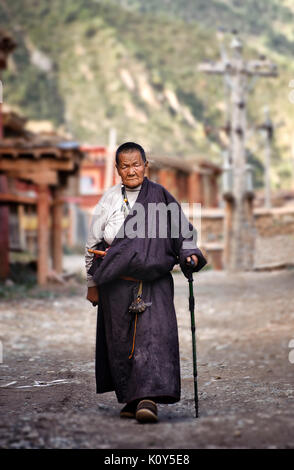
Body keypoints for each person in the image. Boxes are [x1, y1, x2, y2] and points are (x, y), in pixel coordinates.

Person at [85, 142, 207, 423]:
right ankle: (131, 397)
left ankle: (148, 399)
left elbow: (184, 234)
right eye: (125, 166)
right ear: (117, 169)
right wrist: (92, 284)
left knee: (154, 339)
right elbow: (92, 244)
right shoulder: (109, 200)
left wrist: (189, 255)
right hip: (116, 283)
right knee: (122, 342)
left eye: (136, 164)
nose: (131, 171)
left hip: (154, 282)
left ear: (145, 165)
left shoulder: (161, 197)